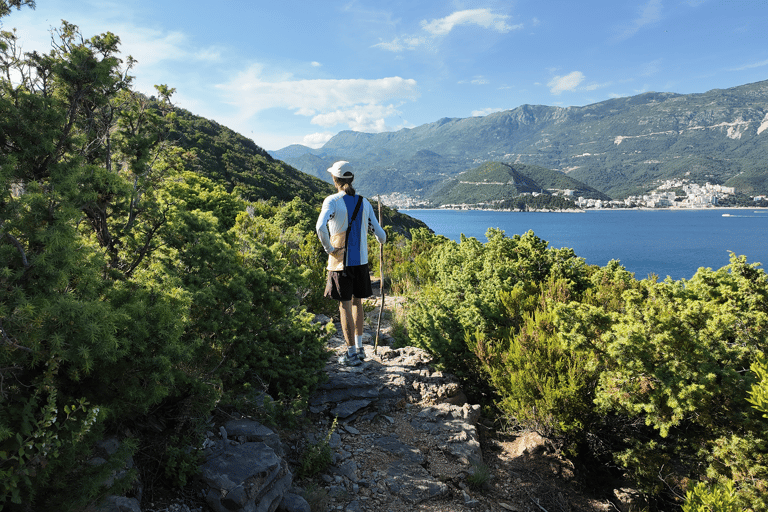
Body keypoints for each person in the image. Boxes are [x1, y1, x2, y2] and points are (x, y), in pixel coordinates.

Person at [316, 161, 386, 366]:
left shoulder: (332, 201)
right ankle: (360, 348)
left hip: (340, 264)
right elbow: (380, 235)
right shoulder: (364, 203)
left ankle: (350, 354)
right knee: (358, 303)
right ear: (352, 179)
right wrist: (377, 239)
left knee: (344, 305)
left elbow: (320, 227)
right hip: (361, 263)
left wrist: (329, 249)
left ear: (334, 180)